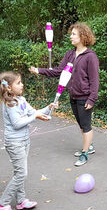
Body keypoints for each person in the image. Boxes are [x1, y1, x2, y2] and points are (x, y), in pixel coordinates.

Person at [29, 22, 100, 167]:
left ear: (82, 36)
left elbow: (94, 80)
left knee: (86, 126)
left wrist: (92, 98)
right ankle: (89, 146)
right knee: (81, 124)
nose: (71, 37)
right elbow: (58, 72)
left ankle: (85, 153)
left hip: (85, 97)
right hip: (73, 95)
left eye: (73, 34)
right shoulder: (69, 54)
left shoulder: (90, 56)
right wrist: (39, 70)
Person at [0, 71, 52, 210]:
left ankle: (20, 201)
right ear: (9, 88)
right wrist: (35, 116)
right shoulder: (10, 103)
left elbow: (33, 112)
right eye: (18, 83)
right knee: (21, 173)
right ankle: (2, 204)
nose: (22, 84)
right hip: (14, 143)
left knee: (19, 172)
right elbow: (17, 123)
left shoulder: (21, 100)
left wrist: (48, 108)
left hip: (25, 141)